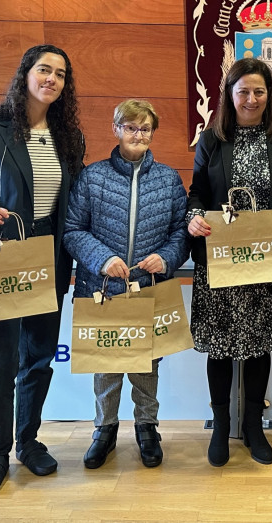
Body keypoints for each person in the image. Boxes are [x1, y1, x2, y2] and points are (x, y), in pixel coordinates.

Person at [0, 44, 85, 494]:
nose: (51, 79)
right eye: (44, 70)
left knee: (39, 359)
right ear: (26, 73)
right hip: (0, 255)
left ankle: (27, 441)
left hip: (48, 254)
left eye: (60, 75)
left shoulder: (67, 138)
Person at [64, 99, 189, 470]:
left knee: (147, 364)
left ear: (153, 133)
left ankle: (147, 428)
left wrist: (166, 258)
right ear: (116, 129)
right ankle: (104, 429)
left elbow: (181, 231)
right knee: (106, 364)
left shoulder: (168, 180)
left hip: (149, 287)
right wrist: (102, 258)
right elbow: (73, 229)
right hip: (102, 287)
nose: (138, 135)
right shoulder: (93, 176)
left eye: (145, 129)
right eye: (131, 127)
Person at [187, 57, 272, 467]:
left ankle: (253, 426)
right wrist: (194, 217)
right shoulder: (212, 140)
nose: (251, 99)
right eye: (243, 92)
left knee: (258, 347)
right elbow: (196, 193)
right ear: (229, 95)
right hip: (219, 260)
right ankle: (220, 426)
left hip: (265, 260)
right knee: (218, 348)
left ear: (269, 96)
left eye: (259, 91)